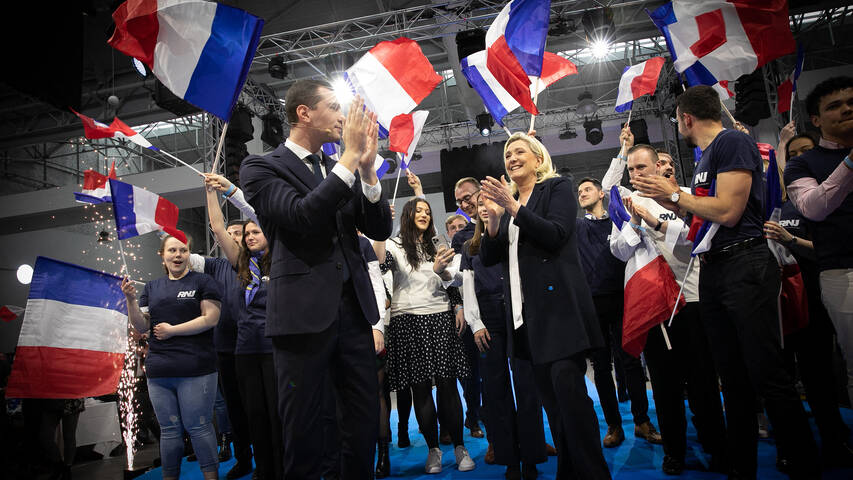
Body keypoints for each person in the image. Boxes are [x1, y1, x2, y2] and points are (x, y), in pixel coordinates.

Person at [632, 84, 819, 478]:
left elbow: (730, 212)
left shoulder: (730, 141)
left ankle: (802, 462)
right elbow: (705, 214)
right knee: (731, 380)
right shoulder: (706, 156)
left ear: (686, 118)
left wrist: (674, 196)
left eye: (676, 120)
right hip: (717, 268)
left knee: (767, 374)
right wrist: (669, 200)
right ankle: (741, 468)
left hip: (745, 264)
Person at [239, 80, 392, 478]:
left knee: (360, 426)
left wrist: (369, 170)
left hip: (354, 315)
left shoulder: (338, 167)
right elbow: (302, 216)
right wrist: (350, 159)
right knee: (304, 430)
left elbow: (378, 228)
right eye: (333, 107)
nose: (343, 117)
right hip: (301, 319)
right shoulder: (261, 167)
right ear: (304, 113)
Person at [480, 132, 610, 479]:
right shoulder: (508, 206)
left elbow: (555, 234)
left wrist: (512, 207)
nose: (512, 158)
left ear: (538, 159)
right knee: (554, 410)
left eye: (519, 151)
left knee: (573, 406)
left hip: (560, 317)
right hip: (524, 323)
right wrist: (494, 217)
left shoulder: (557, 189)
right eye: (507, 154)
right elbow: (489, 257)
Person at [609, 143, 728, 475]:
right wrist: (634, 223)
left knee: (704, 381)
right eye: (631, 169)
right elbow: (619, 251)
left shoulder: (686, 196)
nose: (637, 174)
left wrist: (658, 222)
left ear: (659, 166)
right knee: (664, 385)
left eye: (642, 167)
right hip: (655, 308)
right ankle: (674, 450)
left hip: (692, 299)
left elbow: (700, 238)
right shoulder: (625, 203)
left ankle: (716, 445)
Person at [766, 132, 853, 467]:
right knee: (783, 377)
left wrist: (793, 241)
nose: (800, 158)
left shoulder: (832, 204)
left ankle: (834, 439)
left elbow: (832, 250)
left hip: (819, 299)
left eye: (807, 151)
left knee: (820, 377)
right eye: (794, 154)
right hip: (782, 305)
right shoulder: (775, 205)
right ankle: (790, 447)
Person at [373, 197, 475, 474]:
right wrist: (381, 224)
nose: (424, 214)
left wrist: (457, 305)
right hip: (406, 319)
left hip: (440, 315)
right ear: (407, 215)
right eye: (418, 210)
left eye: (427, 211)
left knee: (447, 384)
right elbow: (380, 265)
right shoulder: (393, 245)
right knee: (420, 388)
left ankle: (459, 446)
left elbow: (451, 277)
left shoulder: (438, 243)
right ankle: (433, 450)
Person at [121, 235, 223, 480]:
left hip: (196, 367)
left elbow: (211, 318)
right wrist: (131, 300)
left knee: (198, 427)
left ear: (189, 254)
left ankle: (211, 477)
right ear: (162, 255)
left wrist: (173, 330)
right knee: (168, 431)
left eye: (183, 250)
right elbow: (141, 326)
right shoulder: (152, 287)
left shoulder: (203, 281)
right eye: (172, 250)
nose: (178, 255)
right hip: (159, 371)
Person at [462, 190, 547, 480]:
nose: (486, 208)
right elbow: (467, 288)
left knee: (526, 387)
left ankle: (533, 457)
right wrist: (475, 324)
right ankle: (508, 456)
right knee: (496, 391)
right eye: (481, 205)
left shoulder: (514, 236)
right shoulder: (469, 248)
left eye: (491, 204)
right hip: (488, 324)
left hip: (517, 318)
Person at [203, 174, 283, 480]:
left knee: (278, 414)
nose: (250, 236)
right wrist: (211, 193)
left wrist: (232, 190)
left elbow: (262, 215)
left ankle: (283, 468)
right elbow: (218, 228)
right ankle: (263, 470)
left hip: (275, 347)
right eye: (247, 233)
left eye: (255, 231)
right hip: (245, 349)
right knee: (256, 415)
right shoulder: (239, 262)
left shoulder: (281, 259)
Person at [577, 168, 663, 449]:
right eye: (579, 192)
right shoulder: (578, 227)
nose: (581, 194)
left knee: (631, 362)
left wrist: (624, 151)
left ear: (602, 193)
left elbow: (613, 182)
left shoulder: (619, 220)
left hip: (626, 297)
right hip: (593, 304)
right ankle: (614, 425)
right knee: (601, 367)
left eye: (587, 189)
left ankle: (641, 421)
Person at [784, 76, 853, 408]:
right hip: (841, 272)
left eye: (850, 102)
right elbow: (815, 207)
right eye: (835, 106)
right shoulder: (802, 166)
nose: (847, 109)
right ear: (817, 118)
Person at [185, 213, 254, 480]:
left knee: (257, 407)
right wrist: (161, 229)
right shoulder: (215, 266)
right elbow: (184, 257)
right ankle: (244, 459)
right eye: (231, 233)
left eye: (239, 233)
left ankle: (268, 457)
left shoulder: (257, 263)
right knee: (234, 408)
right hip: (224, 348)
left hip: (255, 346)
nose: (235, 237)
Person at [38, 398, 84, 480]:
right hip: (51, 398)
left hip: (71, 398)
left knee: (69, 436)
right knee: (45, 437)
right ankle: (58, 465)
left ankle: (67, 468)